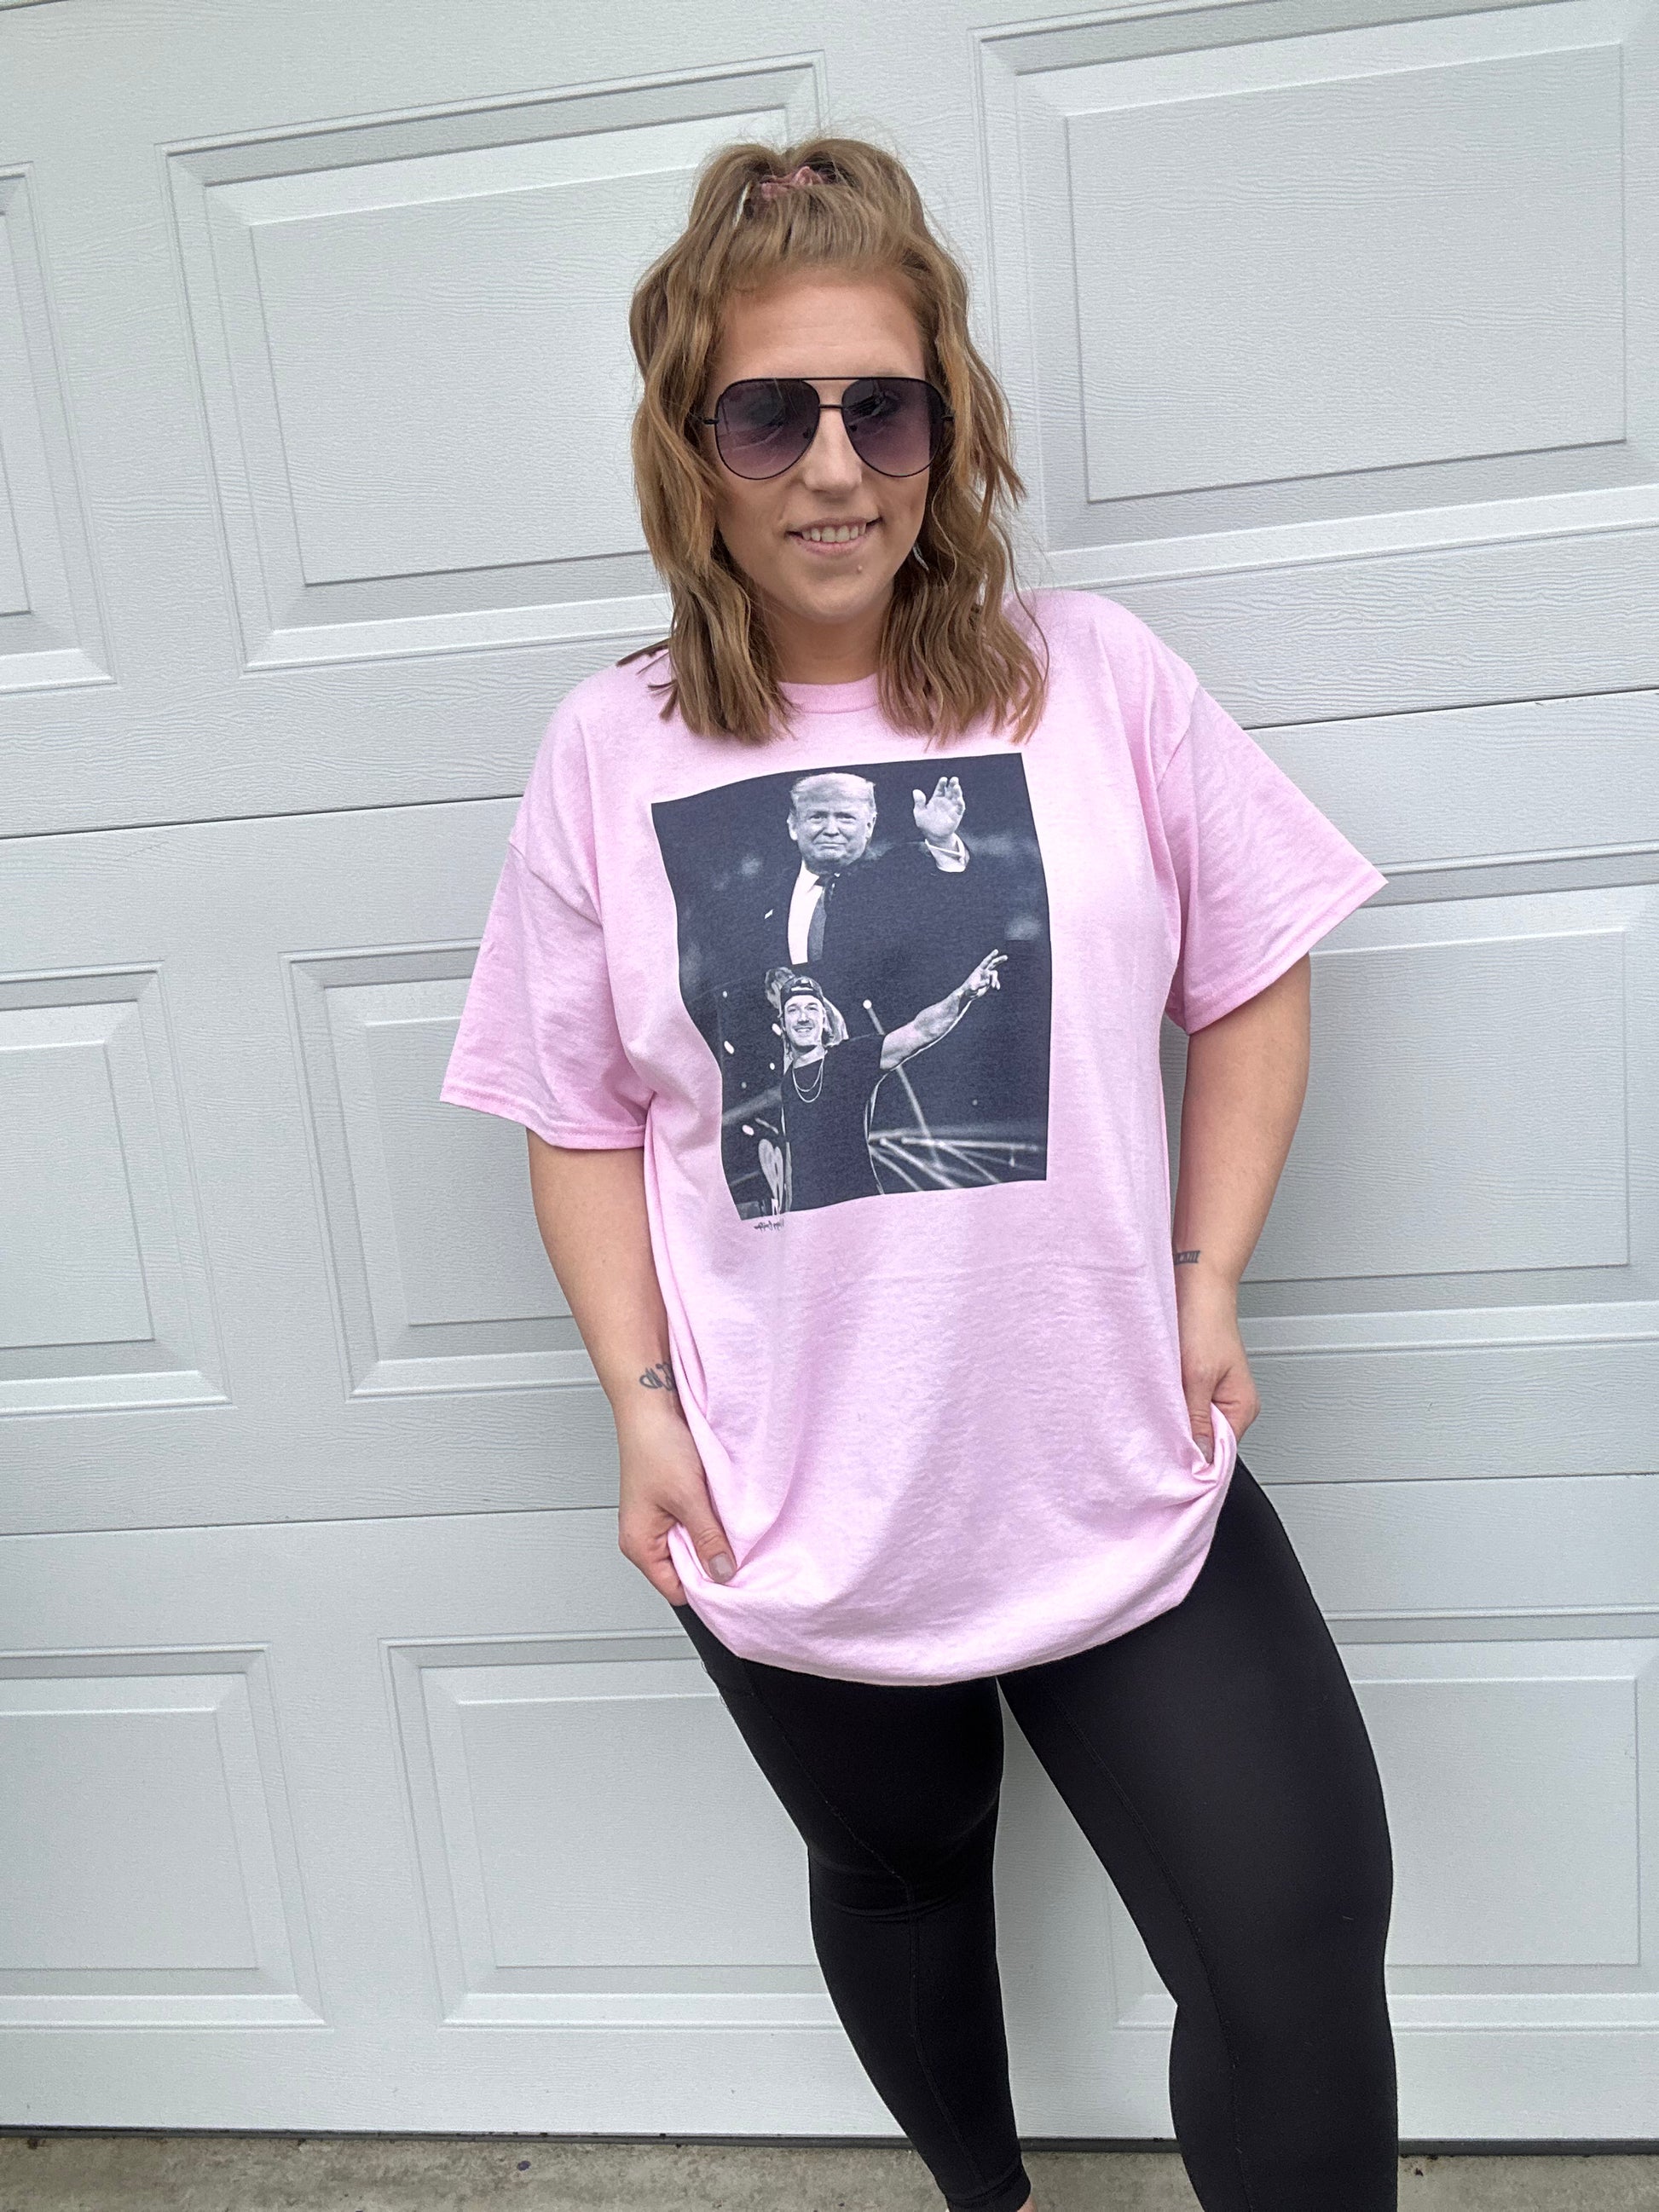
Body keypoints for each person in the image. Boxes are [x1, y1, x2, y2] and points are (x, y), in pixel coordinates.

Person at [439, 136, 1399, 2212]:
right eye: (767, 415)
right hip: (796, 1489)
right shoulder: (609, 750)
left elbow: (1253, 967)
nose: (833, 468)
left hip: (1111, 1456)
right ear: (688, 446)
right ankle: (989, 2199)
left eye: (883, 407)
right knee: (898, 1866)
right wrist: (641, 1405)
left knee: (1296, 1951)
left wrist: (1205, 1276)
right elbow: (574, 1109)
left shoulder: (1098, 678)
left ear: (946, 428)